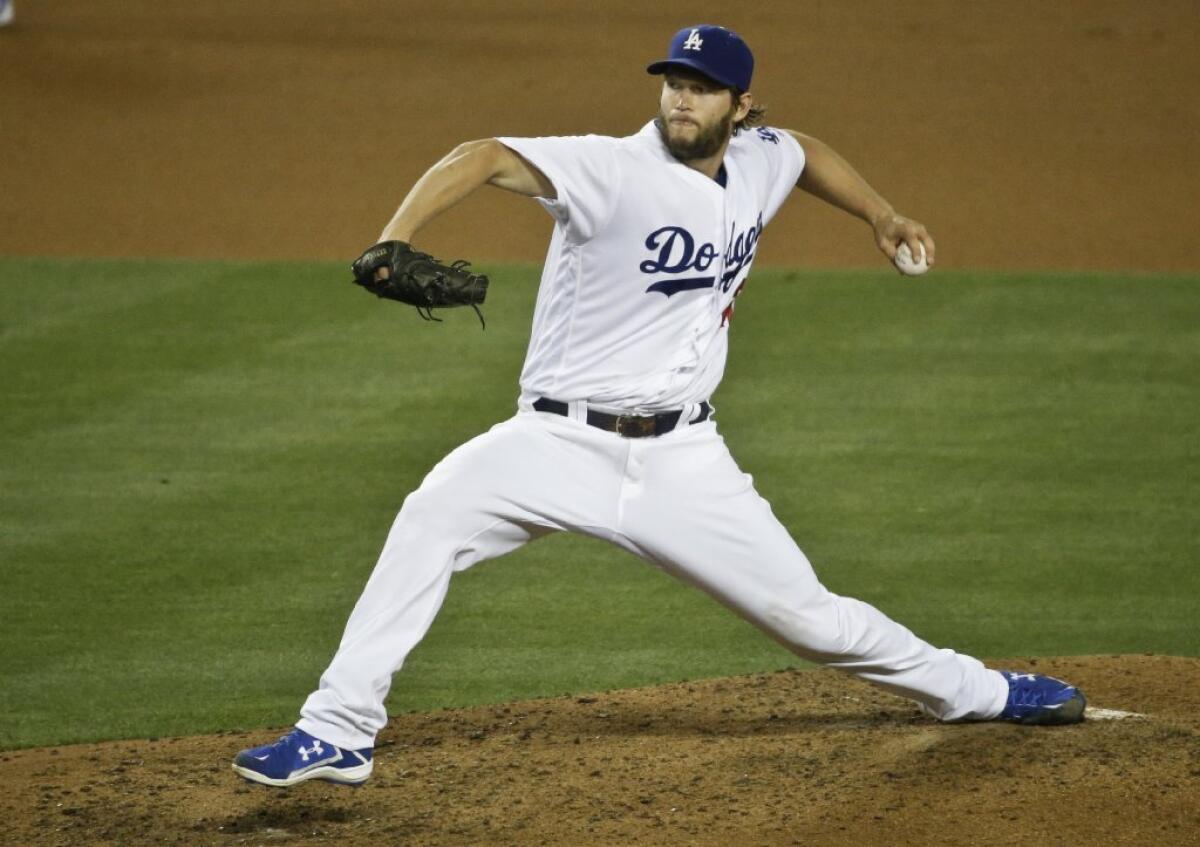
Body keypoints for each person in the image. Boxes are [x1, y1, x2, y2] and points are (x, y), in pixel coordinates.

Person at [233, 24, 1086, 788]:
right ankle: (337, 730)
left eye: (703, 87)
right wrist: (395, 236)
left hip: (684, 461)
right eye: (674, 81)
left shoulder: (758, 159)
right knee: (430, 516)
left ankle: (979, 691)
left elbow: (805, 151)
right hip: (556, 441)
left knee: (811, 617)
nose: (682, 98)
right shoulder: (611, 169)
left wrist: (882, 212)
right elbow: (483, 152)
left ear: (741, 106)